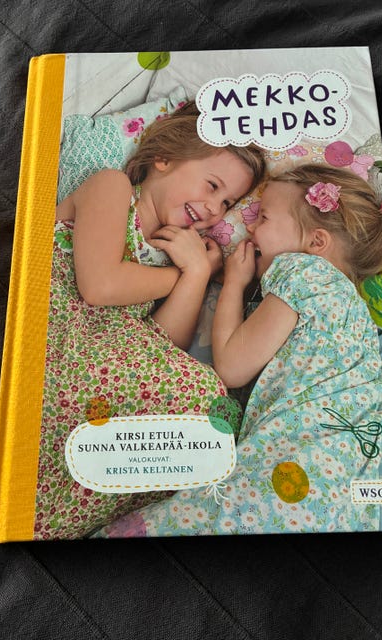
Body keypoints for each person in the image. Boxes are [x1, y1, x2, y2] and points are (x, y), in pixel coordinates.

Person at [94, 163, 382, 538]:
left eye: (263, 218)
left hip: (292, 477)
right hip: (339, 501)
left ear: (316, 243)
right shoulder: (354, 313)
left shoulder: (304, 272)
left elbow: (231, 367)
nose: (250, 229)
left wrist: (234, 284)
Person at [34, 102, 266, 540]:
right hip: (50, 338)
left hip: (98, 367)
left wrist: (196, 275)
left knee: (208, 406)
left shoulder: (170, 253)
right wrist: (184, 273)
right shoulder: (113, 188)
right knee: (200, 394)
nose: (214, 209)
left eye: (227, 203)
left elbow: (161, 346)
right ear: (164, 158)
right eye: (212, 185)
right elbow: (100, 285)